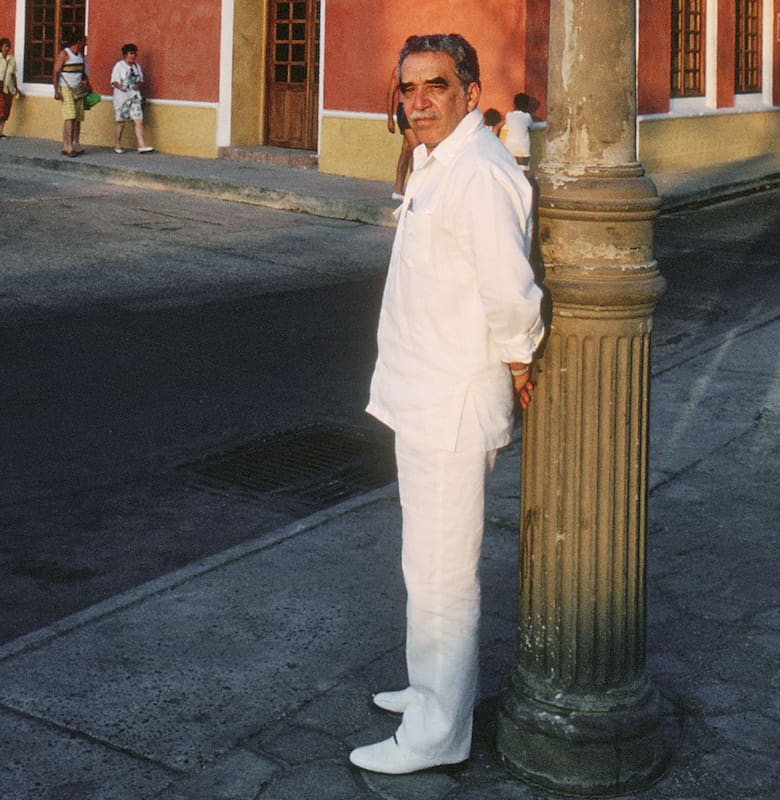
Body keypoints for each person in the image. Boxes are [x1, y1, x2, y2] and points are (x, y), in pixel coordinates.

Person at [350, 33, 544, 775]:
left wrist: (521, 358)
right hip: (419, 390)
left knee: (442, 575)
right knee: (421, 564)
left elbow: (508, 288)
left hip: (451, 402)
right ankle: (430, 688)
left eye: (435, 85)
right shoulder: (437, 161)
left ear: (470, 90)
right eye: (408, 88)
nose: (419, 100)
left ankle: (438, 732)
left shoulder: (480, 172)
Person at [109, 43, 154, 154]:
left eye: (134, 54)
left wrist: (137, 85)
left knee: (138, 120)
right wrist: (123, 87)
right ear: (125, 54)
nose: (133, 56)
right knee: (121, 122)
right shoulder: (119, 66)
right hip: (122, 98)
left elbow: (140, 80)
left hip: (134, 96)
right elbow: (114, 81)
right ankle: (118, 144)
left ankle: (141, 145)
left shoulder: (136, 67)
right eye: (131, 53)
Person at [52, 32, 89, 156]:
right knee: (70, 116)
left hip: (77, 88)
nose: (86, 43)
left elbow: (82, 71)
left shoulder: (81, 56)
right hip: (65, 88)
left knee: (77, 117)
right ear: (78, 42)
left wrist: (85, 81)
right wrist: (56, 91)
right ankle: (68, 146)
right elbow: (56, 72)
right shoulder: (64, 54)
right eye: (84, 41)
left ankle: (75, 143)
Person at [386, 70, 420, 200]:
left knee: (406, 150)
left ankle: (398, 190)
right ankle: (414, 191)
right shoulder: (398, 71)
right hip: (405, 110)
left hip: (415, 110)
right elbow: (390, 94)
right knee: (417, 150)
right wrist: (390, 118)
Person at [0, 37, 21, 139]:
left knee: (6, 111)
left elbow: (13, 75)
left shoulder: (12, 59)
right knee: (1, 109)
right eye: (6, 46)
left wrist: (16, 88)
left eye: (8, 46)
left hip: (9, 87)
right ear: (1, 47)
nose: (7, 48)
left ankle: (1, 131)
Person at [503, 92, 534, 169]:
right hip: (523, 149)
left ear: (514, 104)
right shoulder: (527, 116)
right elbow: (531, 127)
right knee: (523, 171)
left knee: (510, 169)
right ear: (527, 106)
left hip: (510, 148)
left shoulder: (508, 115)